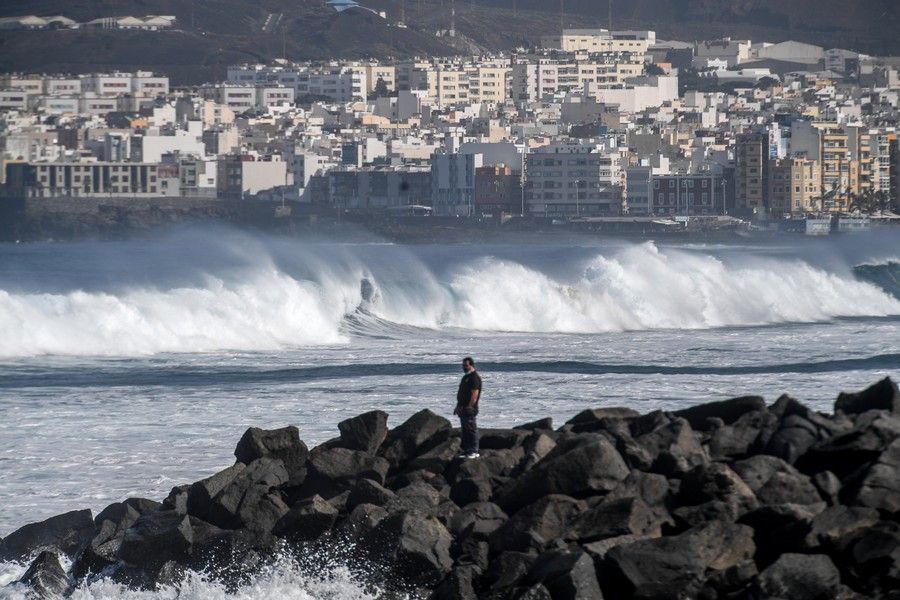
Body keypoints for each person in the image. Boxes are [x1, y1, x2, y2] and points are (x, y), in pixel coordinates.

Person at [454, 356, 482, 459]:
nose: (464, 367)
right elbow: (461, 394)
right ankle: (467, 450)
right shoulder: (465, 377)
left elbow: (474, 394)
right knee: (465, 430)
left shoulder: (474, 378)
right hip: (462, 408)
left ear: (472, 365)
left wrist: (470, 406)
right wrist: (457, 407)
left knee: (471, 429)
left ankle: (474, 450)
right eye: (463, 365)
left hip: (470, 409)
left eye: (466, 365)